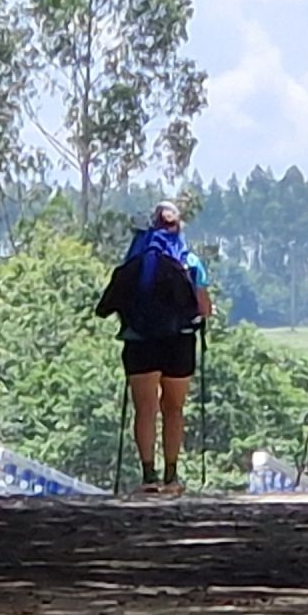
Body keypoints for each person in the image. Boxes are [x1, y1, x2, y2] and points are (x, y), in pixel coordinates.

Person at [98, 201, 212, 493]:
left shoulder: (136, 259)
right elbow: (204, 308)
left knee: (145, 408)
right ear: (179, 228)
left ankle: (148, 476)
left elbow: (112, 301)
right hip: (179, 341)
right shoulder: (190, 262)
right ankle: (172, 477)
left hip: (139, 341)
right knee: (174, 408)